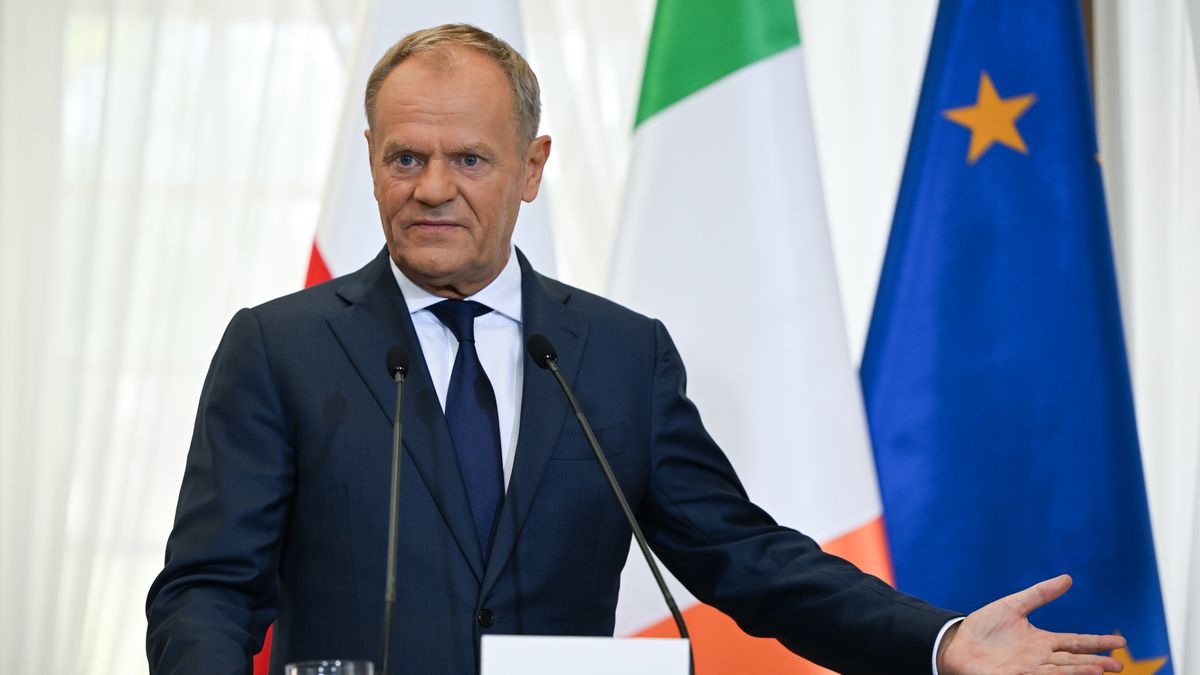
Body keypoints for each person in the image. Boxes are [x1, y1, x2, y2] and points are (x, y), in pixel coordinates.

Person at [146, 24, 1126, 675]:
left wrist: (941, 641)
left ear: (532, 168)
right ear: (371, 158)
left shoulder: (617, 357)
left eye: (470, 160)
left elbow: (748, 559)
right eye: (406, 157)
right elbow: (206, 593)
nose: (432, 187)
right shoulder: (279, 350)